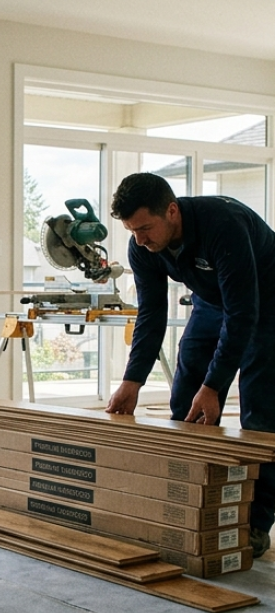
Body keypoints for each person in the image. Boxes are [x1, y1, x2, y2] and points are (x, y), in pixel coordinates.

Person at [107, 172, 275, 558]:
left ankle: (254, 521)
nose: (140, 240)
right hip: (213, 302)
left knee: (260, 411)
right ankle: (198, 502)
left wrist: (215, 386)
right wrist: (132, 381)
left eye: (146, 228)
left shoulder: (222, 226)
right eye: (132, 231)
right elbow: (151, 315)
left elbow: (243, 314)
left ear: (172, 211)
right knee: (185, 400)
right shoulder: (143, 247)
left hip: (266, 302)